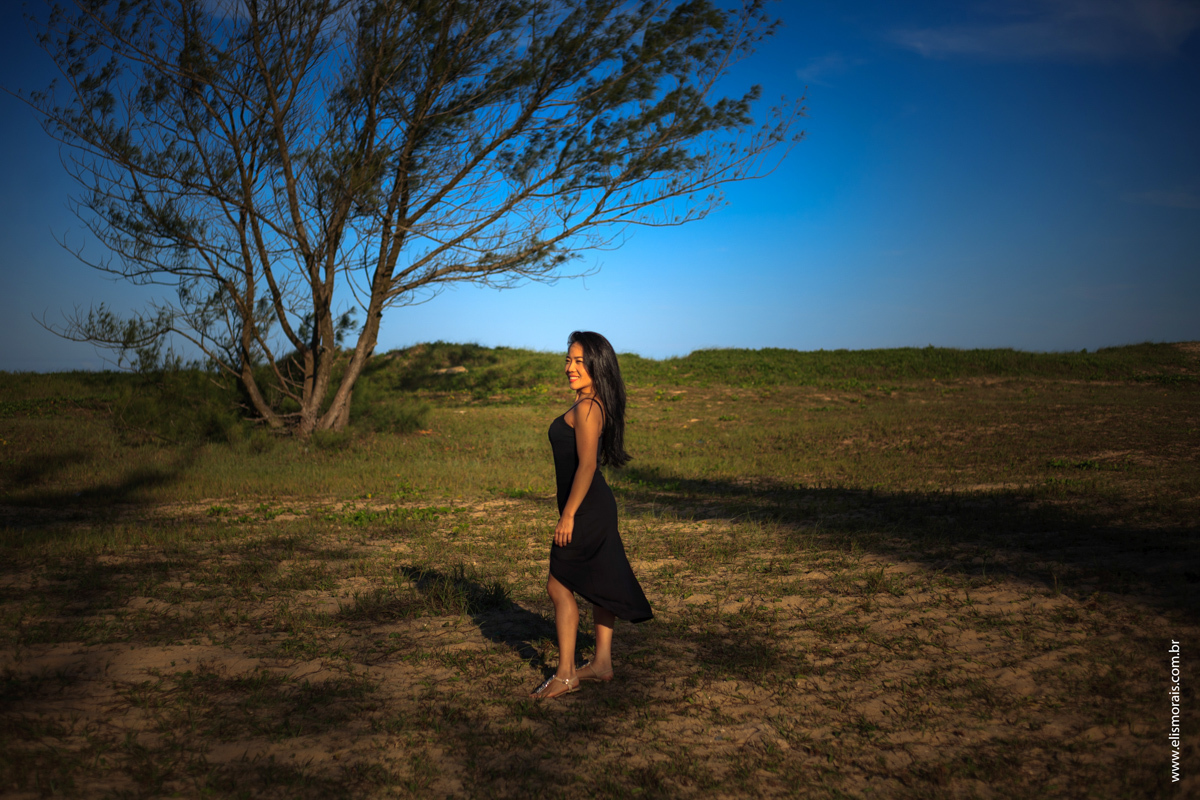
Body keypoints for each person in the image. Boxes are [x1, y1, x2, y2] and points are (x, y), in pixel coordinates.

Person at [531, 331, 653, 699]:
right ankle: (601, 663)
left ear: (597, 365)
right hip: (592, 506)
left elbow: (586, 467)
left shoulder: (587, 408)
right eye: (568, 360)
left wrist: (567, 514)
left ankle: (566, 674)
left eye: (579, 362)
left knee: (558, 585)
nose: (570, 367)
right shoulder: (590, 403)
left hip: (586, 509)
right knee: (599, 581)